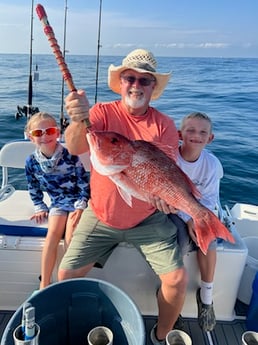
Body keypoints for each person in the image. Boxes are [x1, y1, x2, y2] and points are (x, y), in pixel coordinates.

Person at [58, 49, 188, 345]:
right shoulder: (102, 113)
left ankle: (161, 336)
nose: (136, 85)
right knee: (65, 274)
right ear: (120, 82)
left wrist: (165, 199)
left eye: (145, 81)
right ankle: (80, 328)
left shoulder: (164, 125)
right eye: (130, 78)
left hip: (148, 217)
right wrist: (78, 119)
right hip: (101, 215)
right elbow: (77, 146)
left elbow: (166, 172)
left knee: (178, 280)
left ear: (153, 87)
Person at [170, 111, 223, 332]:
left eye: (203, 132)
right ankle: (172, 303)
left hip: (202, 210)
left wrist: (196, 218)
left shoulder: (212, 164)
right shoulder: (171, 158)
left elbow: (210, 199)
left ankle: (207, 299)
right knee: (178, 244)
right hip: (175, 210)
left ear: (210, 138)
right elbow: (167, 194)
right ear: (180, 134)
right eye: (190, 130)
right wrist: (188, 217)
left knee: (208, 240)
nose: (196, 135)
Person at [25, 112, 90, 289]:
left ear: (58, 133)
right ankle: (44, 284)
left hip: (77, 200)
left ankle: (68, 282)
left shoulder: (71, 155)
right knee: (52, 236)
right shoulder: (31, 162)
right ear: (31, 137)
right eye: (38, 133)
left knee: (71, 235)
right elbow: (33, 187)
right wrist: (39, 206)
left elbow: (84, 183)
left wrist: (82, 205)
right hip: (57, 202)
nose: (45, 136)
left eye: (50, 131)